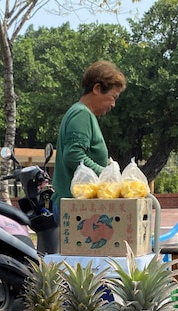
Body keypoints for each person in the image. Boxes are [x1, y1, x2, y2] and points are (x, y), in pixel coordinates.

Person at [51, 60, 127, 211]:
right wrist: (108, 176)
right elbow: (74, 155)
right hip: (75, 208)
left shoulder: (81, 113)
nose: (113, 104)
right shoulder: (81, 114)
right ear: (97, 89)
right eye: (113, 97)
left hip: (76, 207)